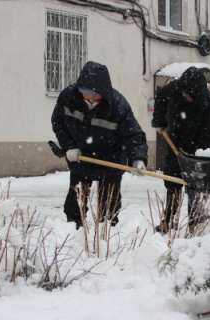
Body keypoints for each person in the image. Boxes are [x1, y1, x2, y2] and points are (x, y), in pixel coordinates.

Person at [52, 61, 147, 229]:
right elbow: (58, 122)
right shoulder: (69, 98)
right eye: (85, 92)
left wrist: (138, 158)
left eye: (94, 94)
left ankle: (107, 240)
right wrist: (69, 146)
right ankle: (74, 234)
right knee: (75, 205)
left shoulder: (117, 106)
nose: (89, 98)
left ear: (103, 91)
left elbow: (134, 135)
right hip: (80, 158)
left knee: (109, 210)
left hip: (110, 160)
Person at [152, 67, 210, 233]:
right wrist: (159, 121)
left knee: (194, 186)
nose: (188, 98)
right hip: (175, 140)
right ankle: (168, 220)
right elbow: (160, 99)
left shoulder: (209, 102)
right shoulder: (174, 89)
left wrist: (198, 159)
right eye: (185, 94)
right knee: (172, 181)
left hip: (198, 147)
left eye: (191, 96)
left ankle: (195, 222)